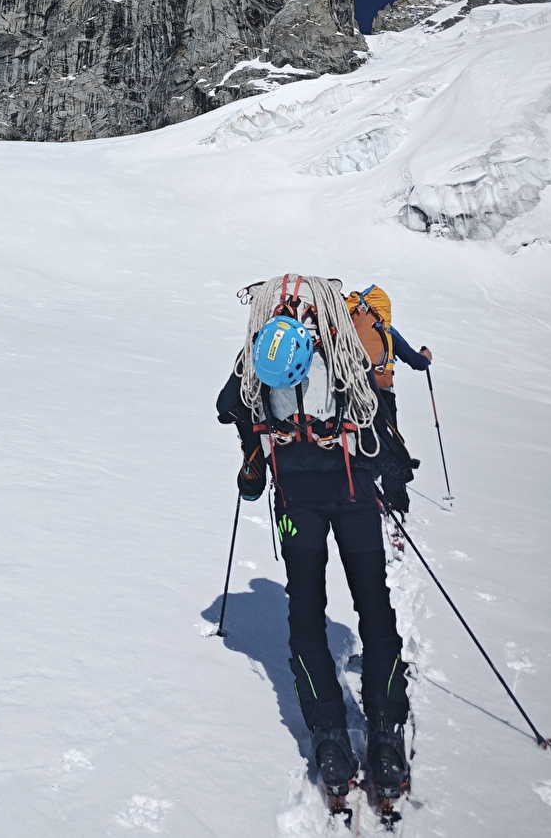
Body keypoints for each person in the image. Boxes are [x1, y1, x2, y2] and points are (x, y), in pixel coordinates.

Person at [215, 274, 416, 808]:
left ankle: (328, 734)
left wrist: (253, 458)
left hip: (295, 500)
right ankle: (386, 733)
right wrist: (395, 471)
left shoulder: (259, 352)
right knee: (373, 602)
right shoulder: (340, 348)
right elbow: (378, 413)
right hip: (352, 491)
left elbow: (228, 404)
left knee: (305, 608)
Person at [345, 285, 432, 515]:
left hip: (351, 393)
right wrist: (425, 358)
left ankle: (360, 492)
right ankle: (395, 503)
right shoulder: (386, 329)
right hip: (383, 393)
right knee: (390, 442)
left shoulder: (346, 327)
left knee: (356, 440)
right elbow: (416, 362)